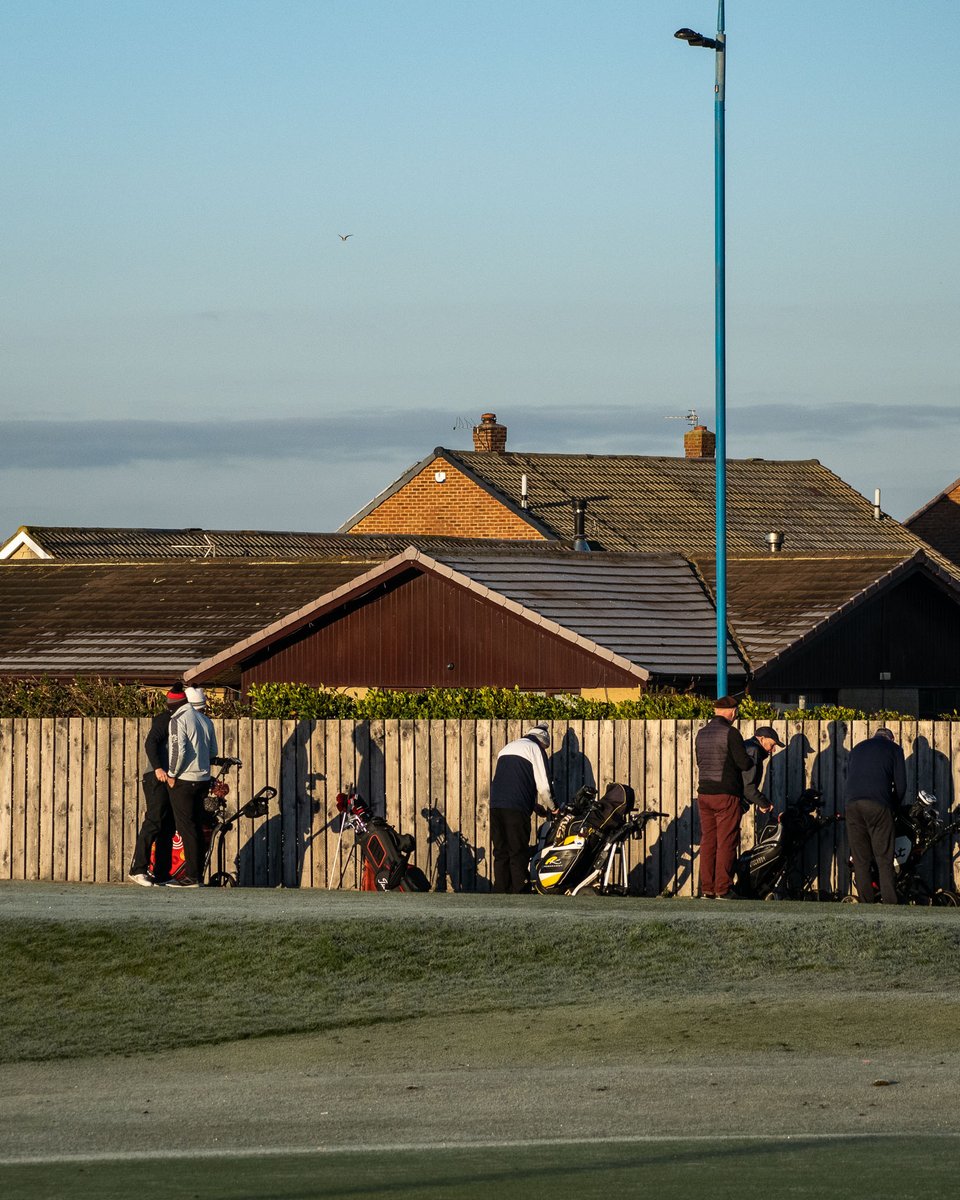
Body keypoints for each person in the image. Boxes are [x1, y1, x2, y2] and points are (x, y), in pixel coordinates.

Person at [694, 696, 755, 899]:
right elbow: (743, 763)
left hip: (704, 793)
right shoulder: (731, 733)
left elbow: (700, 761)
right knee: (726, 841)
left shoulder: (701, 734)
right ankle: (723, 888)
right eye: (735, 711)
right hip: (726, 793)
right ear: (732, 711)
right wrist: (750, 758)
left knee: (708, 841)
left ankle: (707, 888)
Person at [164, 685, 220, 887]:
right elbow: (213, 751)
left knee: (186, 828)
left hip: (184, 780)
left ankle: (191, 877)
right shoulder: (206, 720)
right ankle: (197, 875)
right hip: (203, 780)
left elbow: (178, 751)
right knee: (196, 826)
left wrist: (171, 774)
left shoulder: (178, 719)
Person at [128, 682, 183, 886]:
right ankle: (138, 869)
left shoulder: (179, 720)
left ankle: (162, 873)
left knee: (168, 826)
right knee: (153, 822)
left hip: (168, 777)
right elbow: (150, 742)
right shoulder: (164, 720)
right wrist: (158, 768)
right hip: (155, 777)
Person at [843, 727, 906, 904]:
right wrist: (893, 807)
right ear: (891, 739)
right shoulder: (894, 749)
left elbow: (851, 778)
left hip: (852, 805)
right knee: (884, 857)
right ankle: (890, 902)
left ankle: (866, 903)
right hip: (878, 805)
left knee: (860, 859)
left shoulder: (857, 748)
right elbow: (901, 786)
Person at [489, 724, 554, 894]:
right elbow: (544, 787)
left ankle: (501, 890)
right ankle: (520, 890)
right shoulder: (534, 748)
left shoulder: (507, 748)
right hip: (516, 809)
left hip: (496, 806)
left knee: (501, 851)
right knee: (517, 850)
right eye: (545, 747)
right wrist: (553, 808)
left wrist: (533, 806)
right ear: (543, 742)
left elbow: (511, 783)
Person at [742, 726, 782, 836]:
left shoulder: (749, 747)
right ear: (762, 739)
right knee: (727, 841)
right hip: (735, 802)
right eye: (772, 745)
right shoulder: (753, 750)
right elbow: (747, 786)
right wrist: (764, 803)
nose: (773, 750)